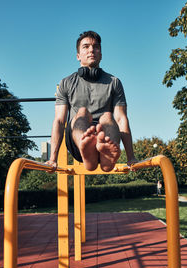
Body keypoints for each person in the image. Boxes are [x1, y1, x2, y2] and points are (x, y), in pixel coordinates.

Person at [46, 31, 137, 172]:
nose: (91, 50)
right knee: (83, 112)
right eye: (86, 46)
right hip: (77, 140)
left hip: (105, 134)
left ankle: (104, 160)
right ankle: (87, 148)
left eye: (95, 47)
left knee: (107, 116)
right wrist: (53, 159)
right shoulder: (66, 83)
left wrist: (131, 157)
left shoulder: (114, 82)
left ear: (101, 54)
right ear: (78, 56)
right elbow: (59, 120)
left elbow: (121, 119)